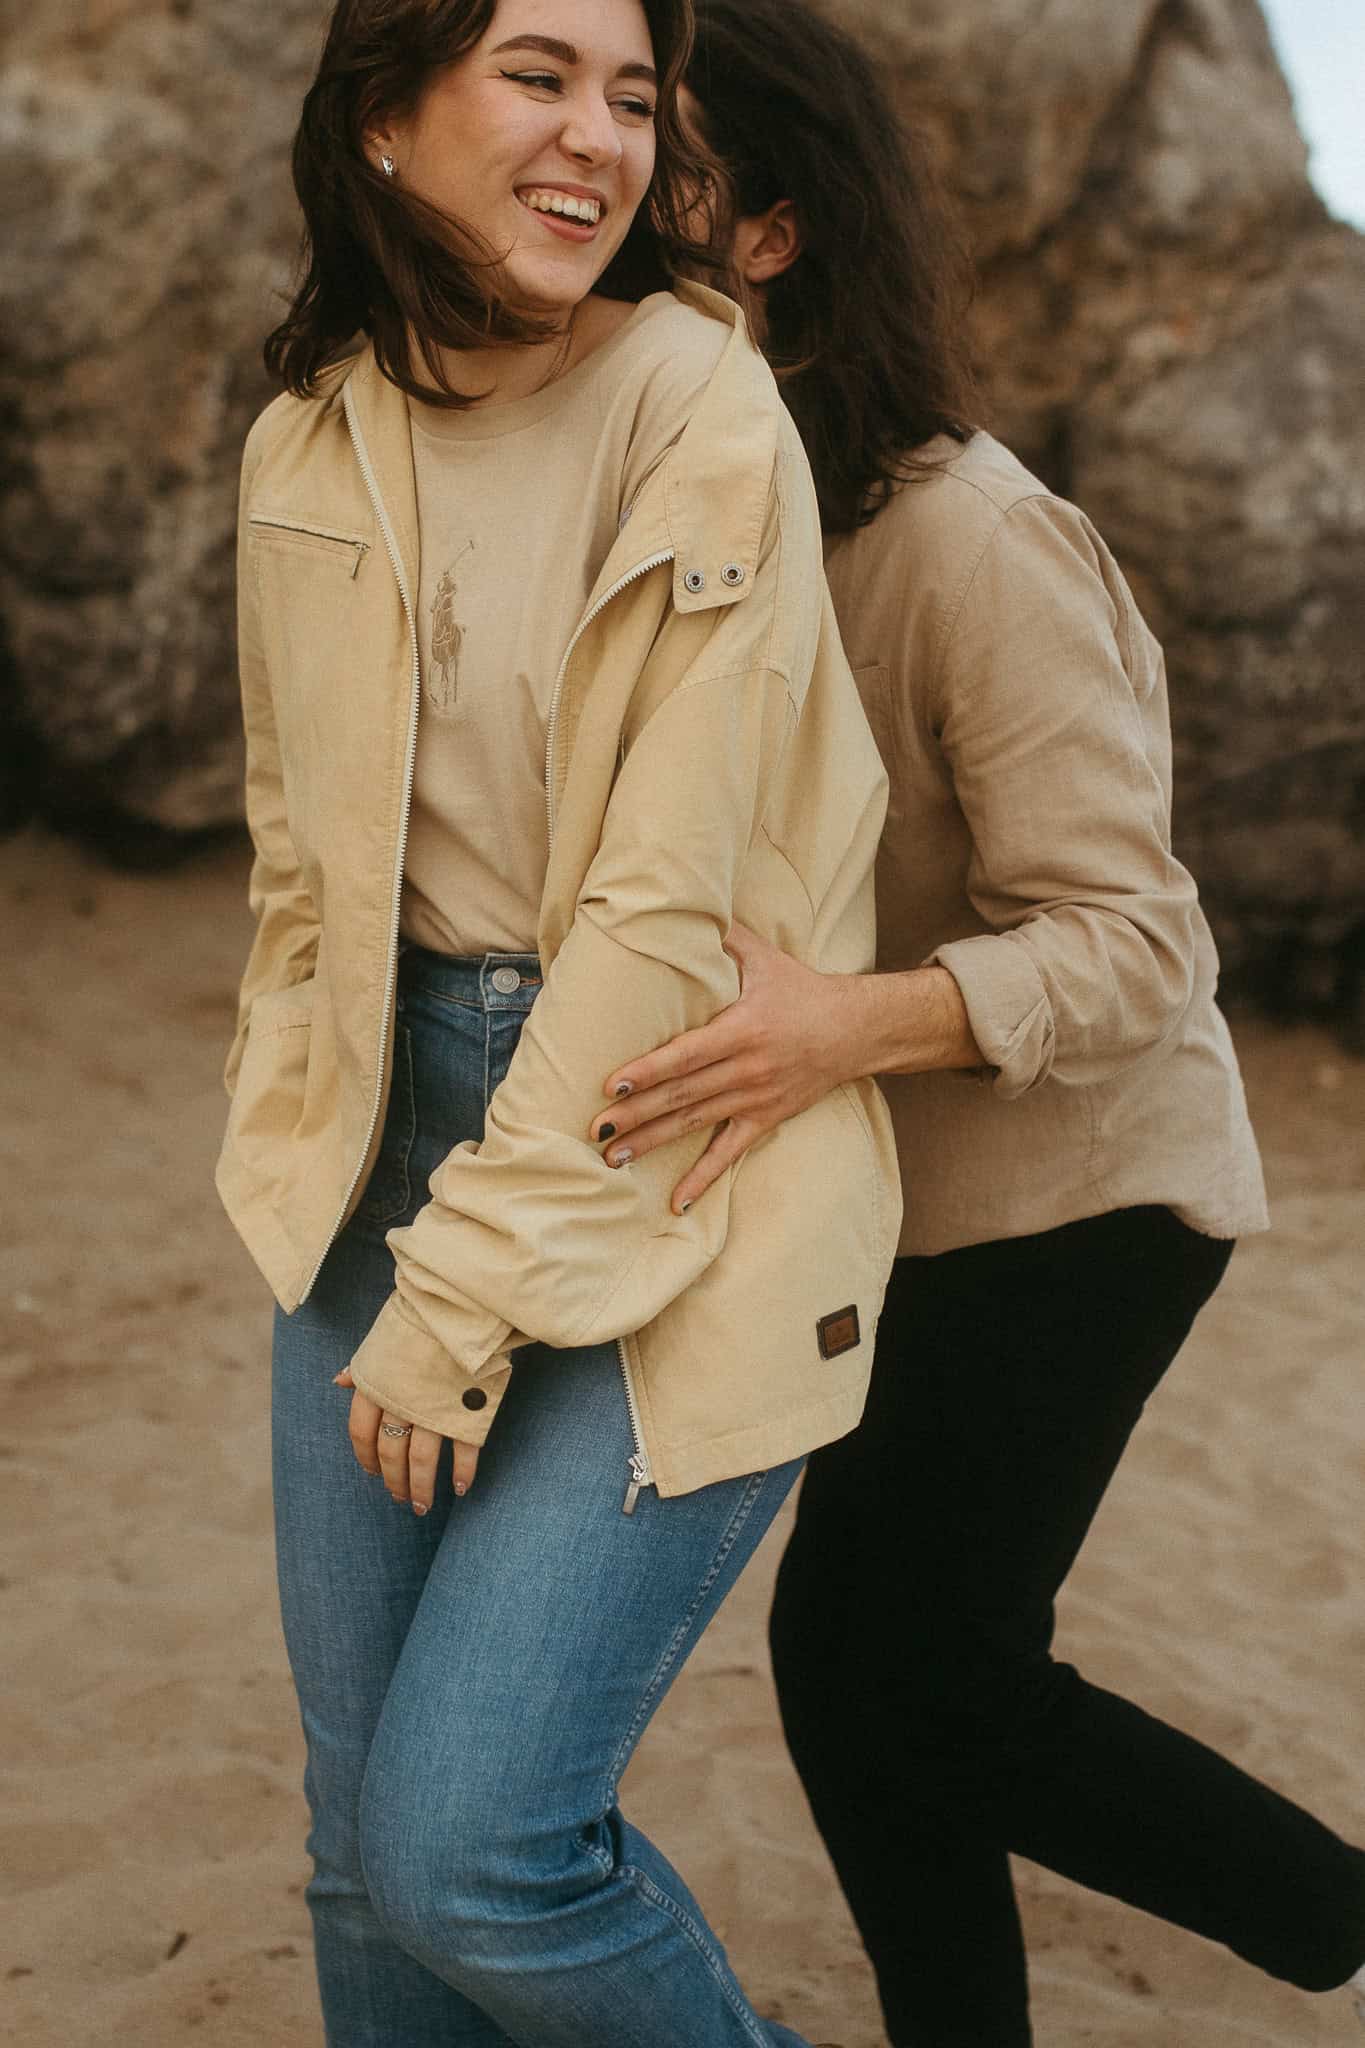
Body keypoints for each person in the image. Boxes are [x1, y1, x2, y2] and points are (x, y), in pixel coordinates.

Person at [588, 3, 1365, 2041]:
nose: (587, 187)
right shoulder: (750, 516)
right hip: (910, 1194)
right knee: (874, 1682)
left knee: (910, 1678)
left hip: (1093, 1195)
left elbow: (1133, 943)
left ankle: (1338, 1916)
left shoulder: (967, 537)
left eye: (646, 153)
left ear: (764, 230)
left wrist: (844, 1023)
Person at [216, 1, 902, 2042]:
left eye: (629, 95)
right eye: (537, 73)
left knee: (470, 1845)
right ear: (382, 118)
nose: (597, 138)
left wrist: (459, 1300)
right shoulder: (307, 429)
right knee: (359, 1847)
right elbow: (296, 866)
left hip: (660, 1138)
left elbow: (654, 905)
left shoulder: (697, 400)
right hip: (374, 1152)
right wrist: (298, 1138)